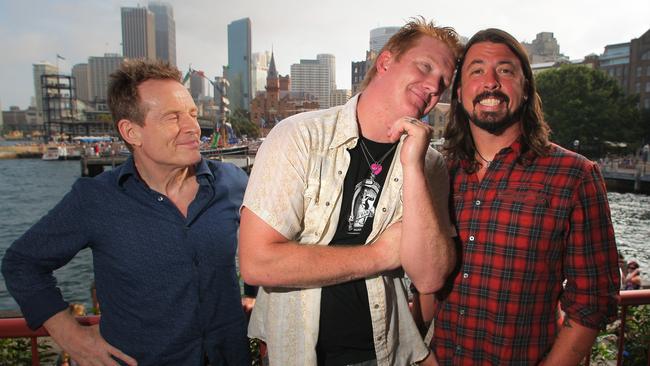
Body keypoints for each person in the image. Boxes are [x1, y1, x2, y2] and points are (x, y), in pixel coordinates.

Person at [239, 18, 461, 366]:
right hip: (295, 351)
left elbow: (430, 276)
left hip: (383, 353)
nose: (434, 84)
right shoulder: (299, 137)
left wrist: (413, 167)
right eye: (425, 66)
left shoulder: (429, 163)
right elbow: (257, 263)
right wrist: (381, 255)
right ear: (385, 62)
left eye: (443, 81)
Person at [2, 59, 250, 365]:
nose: (193, 128)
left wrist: (255, 293)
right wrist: (71, 336)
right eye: (173, 117)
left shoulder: (233, 182)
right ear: (132, 132)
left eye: (192, 114)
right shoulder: (96, 199)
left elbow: (265, 241)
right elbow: (22, 263)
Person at [426, 28, 620, 365]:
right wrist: (420, 355)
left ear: (526, 88)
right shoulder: (437, 172)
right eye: (476, 70)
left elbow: (593, 300)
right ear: (458, 92)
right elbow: (421, 283)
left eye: (505, 70)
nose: (490, 82)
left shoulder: (575, 175)